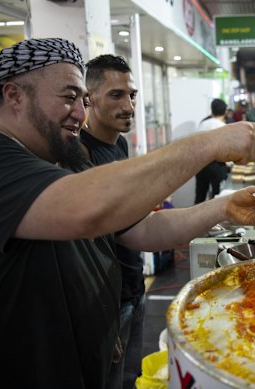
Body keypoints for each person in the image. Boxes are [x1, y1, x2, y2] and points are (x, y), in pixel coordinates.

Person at [0, 38, 255, 389]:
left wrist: (223, 207)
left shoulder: (55, 160)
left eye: (83, 101)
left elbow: (142, 229)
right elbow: (84, 210)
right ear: (14, 96)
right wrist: (208, 143)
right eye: (68, 98)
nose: (81, 113)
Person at [80, 54, 144, 388]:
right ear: (88, 99)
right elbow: (82, 250)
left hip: (134, 289)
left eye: (131, 95)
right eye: (116, 95)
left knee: (132, 378)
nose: (129, 106)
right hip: (108, 305)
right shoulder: (79, 155)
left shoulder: (118, 145)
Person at [195, 98, 230, 204]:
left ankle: (196, 220)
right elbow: (227, 150)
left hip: (200, 164)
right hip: (217, 165)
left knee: (200, 196)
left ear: (211, 110)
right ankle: (215, 220)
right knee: (217, 197)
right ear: (225, 112)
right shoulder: (224, 127)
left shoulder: (202, 124)